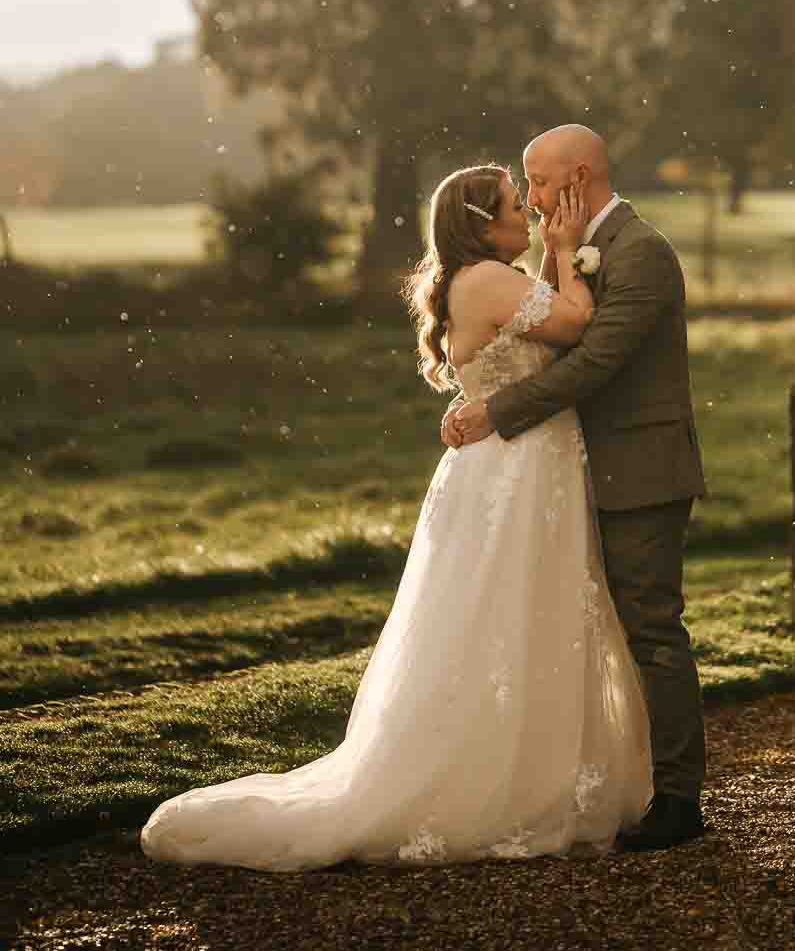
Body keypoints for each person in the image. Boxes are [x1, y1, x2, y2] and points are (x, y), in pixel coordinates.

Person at [140, 163, 651, 870]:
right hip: (517, 469)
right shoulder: (490, 280)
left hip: (517, 465)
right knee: (507, 615)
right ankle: (499, 782)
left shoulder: (480, 279)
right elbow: (576, 321)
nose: (528, 217)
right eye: (514, 207)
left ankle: (529, 767)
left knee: (517, 616)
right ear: (481, 223)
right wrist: (566, 249)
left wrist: (552, 255)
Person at [445, 123, 707, 852]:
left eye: (535, 179)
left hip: (643, 469)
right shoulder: (576, 252)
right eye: (523, 186)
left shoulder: (642, 252)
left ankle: (680, 798)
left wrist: (494, 411)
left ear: (578, 173)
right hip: (578, 469)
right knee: (603, 632)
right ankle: (611, 780)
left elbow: (596, 363)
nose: (528, 198)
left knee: (651, 629)